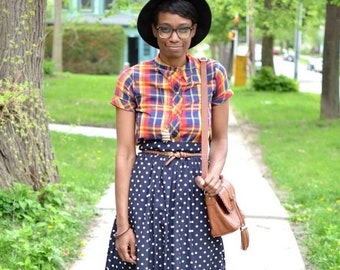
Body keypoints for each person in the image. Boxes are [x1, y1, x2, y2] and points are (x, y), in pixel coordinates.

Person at [105, 0, 233, 269]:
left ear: (193, 30)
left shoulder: (213, 74)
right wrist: (123, 225)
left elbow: (220, 139)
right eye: (165, 29)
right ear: (154, 30)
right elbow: (125, 153)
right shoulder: (133, 78)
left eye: (182, 29)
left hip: (195, 191)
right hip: (145, 187)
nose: (174, 37)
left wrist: (214, 172)